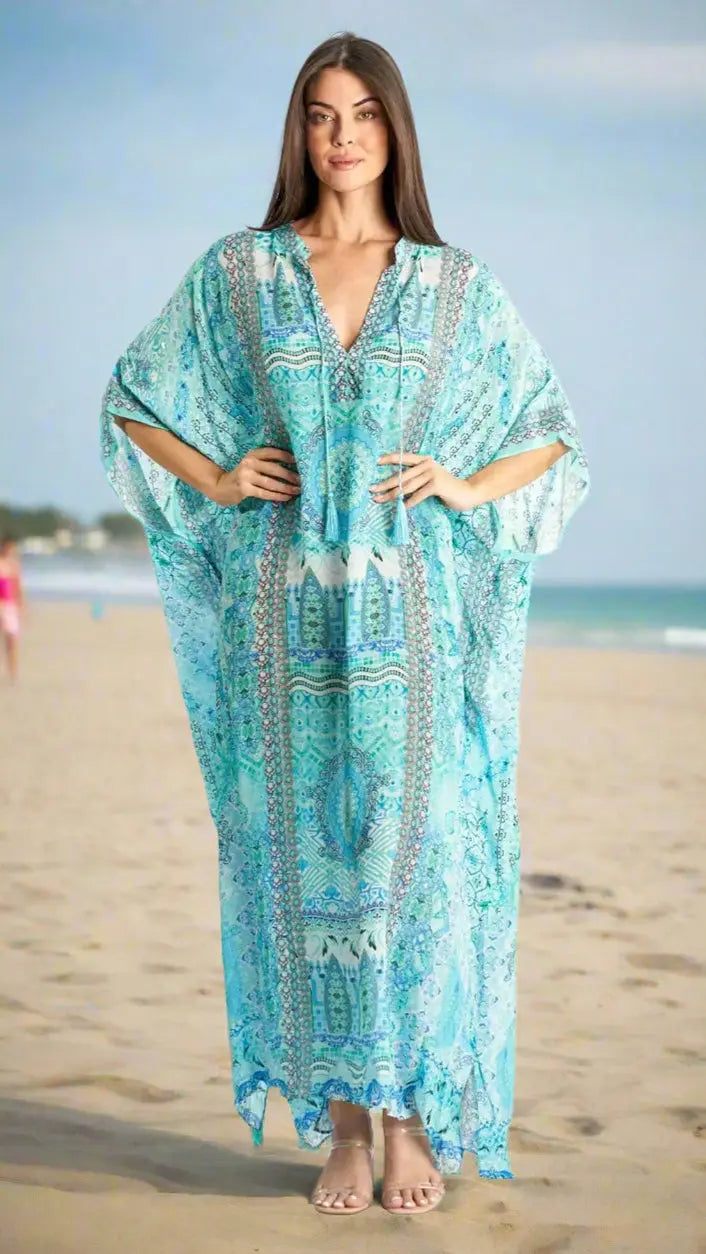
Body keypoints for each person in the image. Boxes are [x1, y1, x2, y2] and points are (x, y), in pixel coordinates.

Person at [99, 31, 589, 1217]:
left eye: (364, 113)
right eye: (320, 114)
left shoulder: (453, 281)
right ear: (298, 132)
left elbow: (550, 429)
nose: (342, 136)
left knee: (412, 871)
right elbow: (133, 397)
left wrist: (468, 487)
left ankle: (412, 1113)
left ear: (395, 129)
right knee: (303, 869)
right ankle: (346, 1127)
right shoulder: (244, 275)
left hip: (414, 629)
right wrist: (218, 479)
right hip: (284, 630)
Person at [0, 538, 24, 683]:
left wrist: (21, 605)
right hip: (2, 604)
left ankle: (12, 672)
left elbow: (18, 587)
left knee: (12, 640)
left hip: (10, 605)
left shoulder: (14, 566)